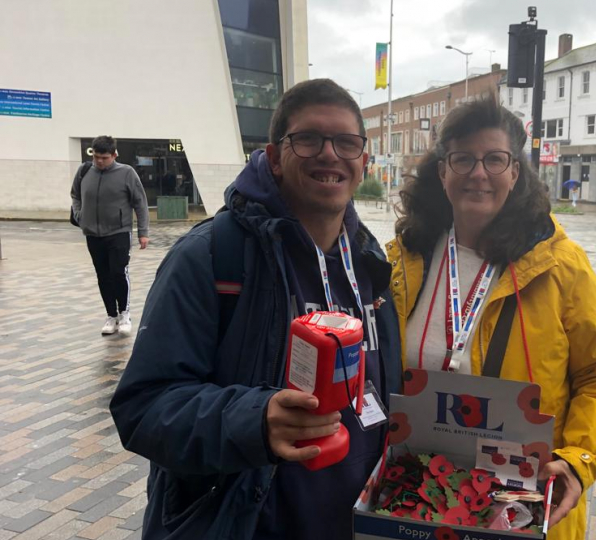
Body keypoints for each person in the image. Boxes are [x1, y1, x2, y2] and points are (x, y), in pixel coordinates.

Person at [109, 79, 402, 540]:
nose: (329, 154)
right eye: (307, 139)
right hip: (248, 523)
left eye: (346, 142)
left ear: (364, 161)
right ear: (274, 157)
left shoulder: (370, 264)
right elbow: (142, 408)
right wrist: (256, 420)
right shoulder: (211, 256)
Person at [388, 98, 596, 539]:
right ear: (442, 171)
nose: (478, 173)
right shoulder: (405, 260)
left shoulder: (559, 265)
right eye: (462, 159)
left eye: (494, 159)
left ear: (515, 172)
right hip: (418, 499)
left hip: (520, 504)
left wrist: (580, 459)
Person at [70, 135, 149, 336]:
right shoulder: (84, 171)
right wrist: (80, 216)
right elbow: (75, 195)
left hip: (119, 231)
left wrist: (143, 232)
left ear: (114, 155)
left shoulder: (127, 173)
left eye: (104, 157)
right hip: (93, 233)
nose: (99, 161)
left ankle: (124, 314)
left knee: (118, 272)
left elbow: (140, 203)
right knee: (102, 274)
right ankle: (111, 315)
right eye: (96, 157)